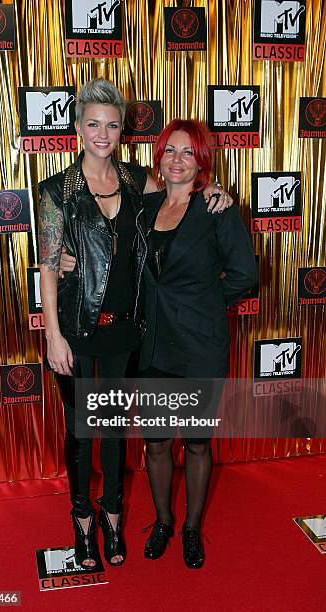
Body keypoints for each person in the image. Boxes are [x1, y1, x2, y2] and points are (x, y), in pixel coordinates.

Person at [39, 78, 232, 570]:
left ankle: (113, 518)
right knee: (83, 432)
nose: (102, 133)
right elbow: (46, 264)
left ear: (122, 129)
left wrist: (218, 193)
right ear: (77, 127)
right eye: (93, 124)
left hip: (127, 334)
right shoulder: (55, 191)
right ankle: (81, 523)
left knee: (112, 433)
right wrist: (54, 334)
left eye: (112, 124)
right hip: (79, 331)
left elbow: (179, 192)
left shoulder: (133, 181)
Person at [139, 119, 258, 569]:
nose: (177, 159)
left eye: (188, 152)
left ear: (202, 161)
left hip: (198, 346)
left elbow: (245, 274)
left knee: (195, 443)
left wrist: (204, 305)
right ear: (160, 157)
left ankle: (191, 529)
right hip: (152, 346)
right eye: (170, 150)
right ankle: (164, 521)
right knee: (155, 442)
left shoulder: (215, 208)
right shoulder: (144, 207)